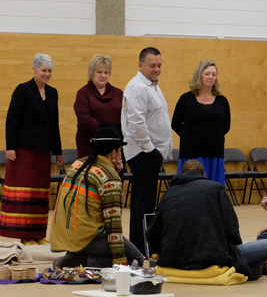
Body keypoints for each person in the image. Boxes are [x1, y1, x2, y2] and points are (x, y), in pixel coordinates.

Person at [146, 160, 267, 280]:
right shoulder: (216, 188)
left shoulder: (168, 193)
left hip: (173, 260)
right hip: (211, 258)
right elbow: (232, 229)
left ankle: (247, 268)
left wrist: (165, 252)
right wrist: (235, 253)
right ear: (204, 174)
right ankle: (246, 267)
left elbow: (151, 234)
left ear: (180, 173)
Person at [50, 127, 144, 268]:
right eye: (120, 151)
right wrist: (120, 261)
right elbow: (114, 225)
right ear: (114, 152)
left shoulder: (78, 164)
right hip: (89, 238)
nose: (121, 156)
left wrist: (114, 172)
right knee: (136, 261)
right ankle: (82, 261)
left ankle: (76, 255)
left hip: (67, 234)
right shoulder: (109, 178)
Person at [0, 53, 63, 246]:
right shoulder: (23, 90)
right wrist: (10, 147)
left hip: (43, 151)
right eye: (43, 70)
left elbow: (54, 124)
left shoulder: (53, 92)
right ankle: (24, 235)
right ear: (34, 69)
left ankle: (37, 233)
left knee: (40, 193)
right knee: (25, 193)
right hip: (24, 150)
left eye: (49, 71)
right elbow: (12, 120)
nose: (47, 74)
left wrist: (58, 150)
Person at [121, 47, 173, 255]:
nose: (157, 69)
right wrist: (150, 149)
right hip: (143, 153)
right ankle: (139, 248)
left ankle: (143, 245)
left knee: (146, 203)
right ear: (140, 65)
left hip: (151, 152)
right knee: (142, 204)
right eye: (152, 65)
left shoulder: (152, 86)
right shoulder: (137, 87)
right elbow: (136, 121)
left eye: (159, 65)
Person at [172, 60, 230, 186]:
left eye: (214, 75)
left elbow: (226, 126)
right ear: (199, 75)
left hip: (214, 152)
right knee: (189, 187)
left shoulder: (222, 101)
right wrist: (191, 136)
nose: (211, 77)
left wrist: (210, 136)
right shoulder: (185, 99)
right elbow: (175, 124)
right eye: (207, 74)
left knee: (214, 187)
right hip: (191, 152)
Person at [73, 54, 124, 159]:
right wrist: (106, 131)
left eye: (106, 72)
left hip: (113, 146)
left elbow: (125, 116)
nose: (103, 75)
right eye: (99, 72)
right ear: (92, 73)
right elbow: (84, 119)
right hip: (90, 145)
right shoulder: (83, 93)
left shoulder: (118, 93)